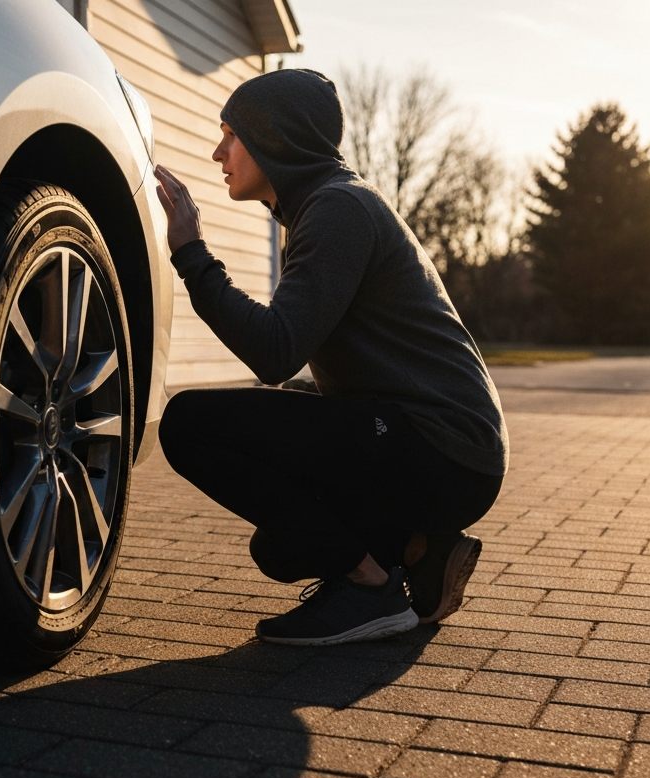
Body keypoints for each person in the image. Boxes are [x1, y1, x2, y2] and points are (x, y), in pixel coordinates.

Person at [153, 69, 508, 646]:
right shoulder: (328, 207)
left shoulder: (337, 210)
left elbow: (274, 350)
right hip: (434, 445)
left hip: (443, 447)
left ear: (276, 140)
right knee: (282, 547)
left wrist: (192, 253)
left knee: (189, 424)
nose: (218, 151)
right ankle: (421, 546)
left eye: (230, 135)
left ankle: (370, 589)